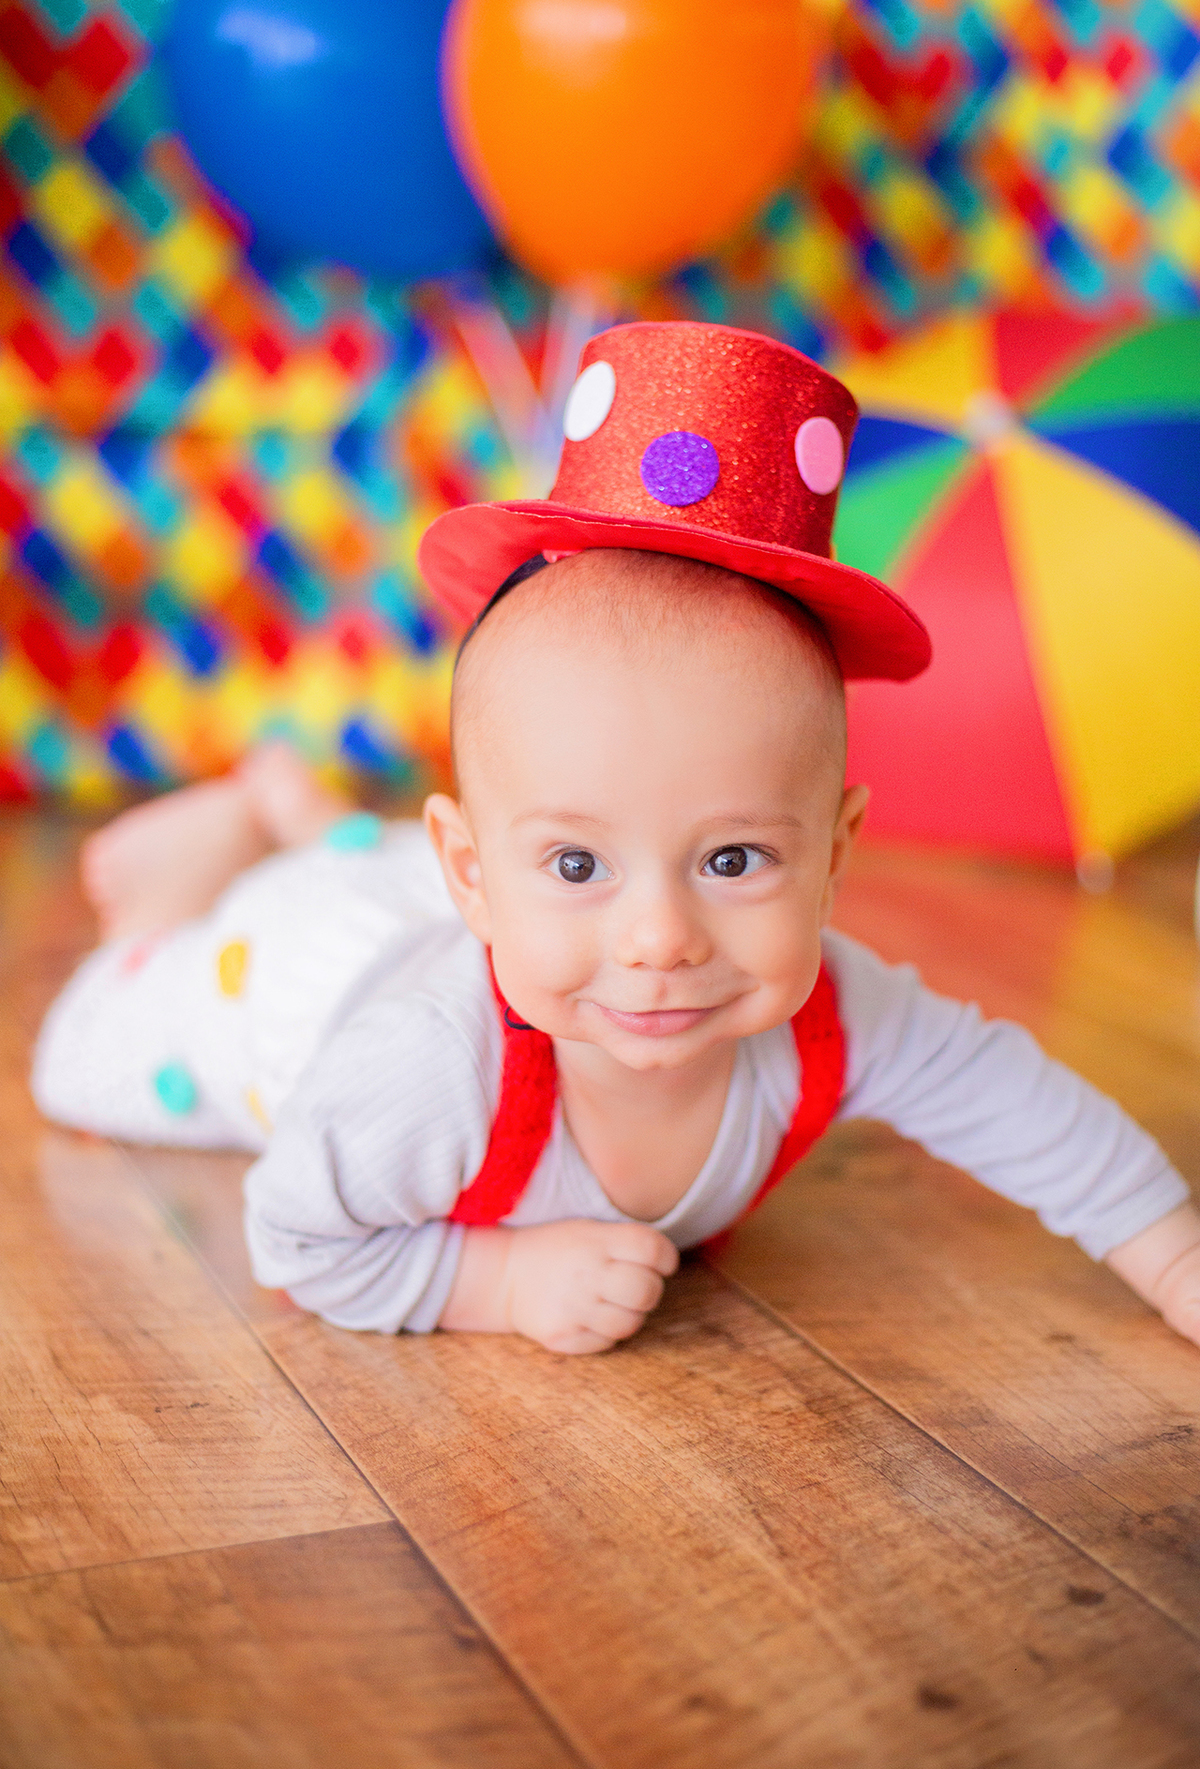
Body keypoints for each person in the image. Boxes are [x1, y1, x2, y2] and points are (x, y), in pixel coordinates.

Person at [32, 321, 1200, 1356]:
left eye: (733, 860)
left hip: (473, 916)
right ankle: (180, 899)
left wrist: (1175, 1257)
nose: (659, 938)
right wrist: (493, 1278)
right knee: (81, 1059)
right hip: (300, 985)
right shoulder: (417, 1076)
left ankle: (318, 823)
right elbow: (294, 1236)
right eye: (586, 863)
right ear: (473, 875)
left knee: (465, 874)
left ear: (838, 855)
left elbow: (1021, 1105)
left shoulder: (837, 1013)